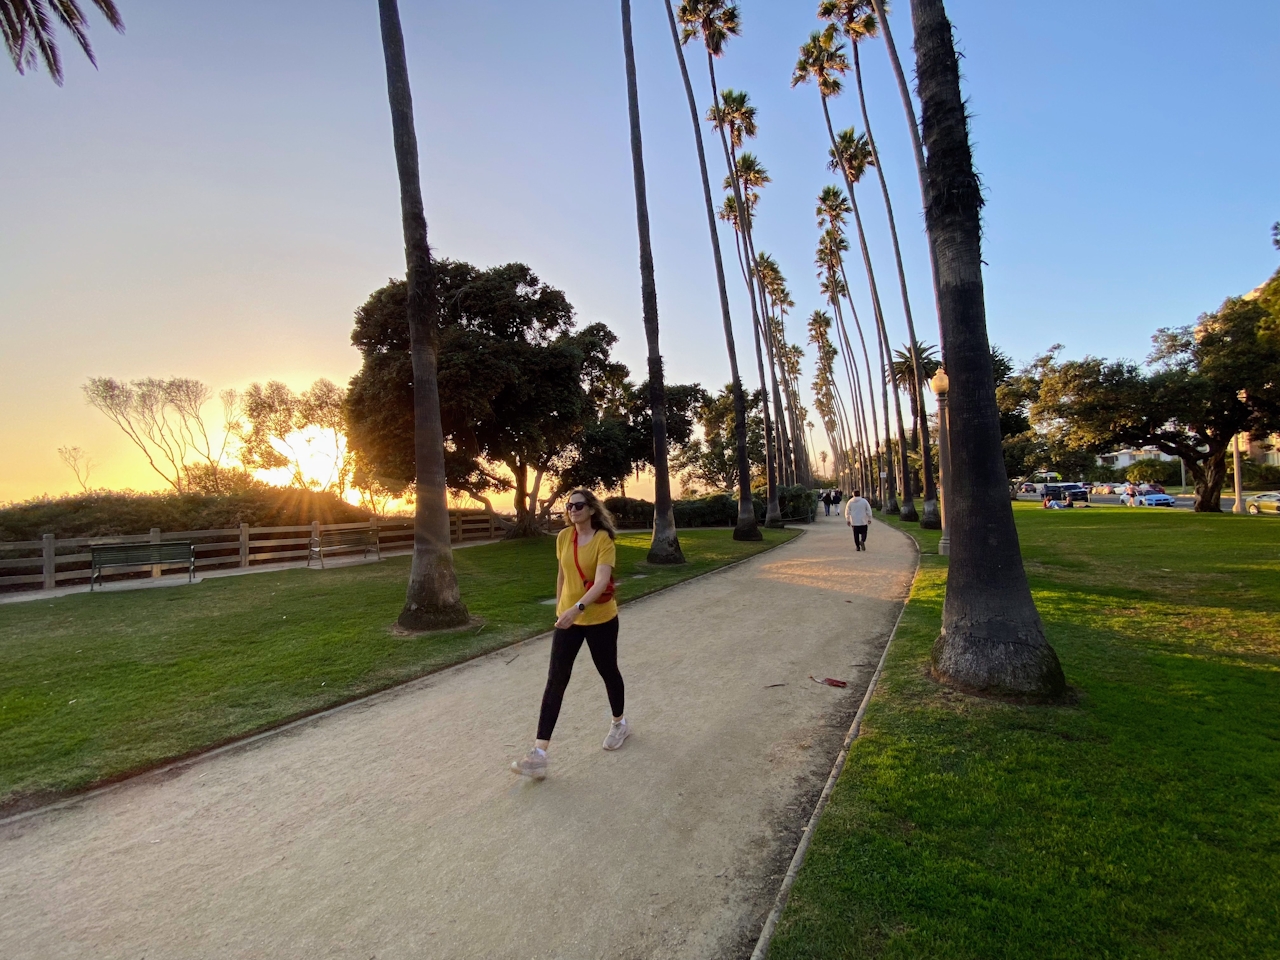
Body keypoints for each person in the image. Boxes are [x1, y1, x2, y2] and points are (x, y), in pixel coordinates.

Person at [511, 488, 628, 780]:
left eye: (578, 505)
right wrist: (561, 608)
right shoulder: (564, 537)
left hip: (600, 618)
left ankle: (619, 723)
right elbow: (562, 574)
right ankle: (539, 754)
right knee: (556, 679)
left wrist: (577, 608)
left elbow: (601, 582)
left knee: (607, 670)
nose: (572, 509)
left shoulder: (604, 540)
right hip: (569, 621)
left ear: (591, 509)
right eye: (569, 505)